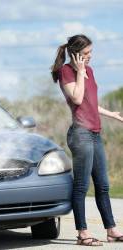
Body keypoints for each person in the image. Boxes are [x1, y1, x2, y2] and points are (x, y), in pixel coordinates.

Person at [51, 34, 123, 246]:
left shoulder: (90, 71)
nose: (89, 57)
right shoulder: (66, 71)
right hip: (80, 134)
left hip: (95, 133)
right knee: (82, 186)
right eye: (85, 54)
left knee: (103, 185)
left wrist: (112, 114)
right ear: (75, 55)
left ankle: (111, 230)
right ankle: (82, 233)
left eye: (90, 53)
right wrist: (80, 72)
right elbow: (77, 98)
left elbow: (90, 104)